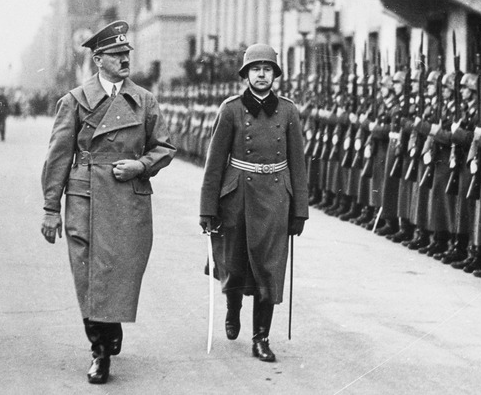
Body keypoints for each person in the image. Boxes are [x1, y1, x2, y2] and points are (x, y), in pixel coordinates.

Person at [40, 20, 176, 384]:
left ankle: (108, 327)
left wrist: (140, 165)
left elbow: (164, 147)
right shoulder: (74, 101)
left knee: (119, 271)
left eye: (126, 53)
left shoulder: (144, 100)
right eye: (116, 55)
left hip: (128, 198)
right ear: (98, 59)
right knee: (88, 274)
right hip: (85, 196)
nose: (124, 59)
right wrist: (51, 208)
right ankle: (99, 350)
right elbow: (57, 158)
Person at [199, 43, 308, 363]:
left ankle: (261, 338)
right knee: (233, 263)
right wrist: (207, 207)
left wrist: (300, 209)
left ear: (275, 75)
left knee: (270, 268)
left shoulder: (288, 110)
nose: (262, 74)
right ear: (246, 75)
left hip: (275, 197)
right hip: (237, 196)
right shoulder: (230, 109)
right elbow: (215, 162)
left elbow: (297, 163)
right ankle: (233, 307)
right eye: (255, 69)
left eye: (268, 69)